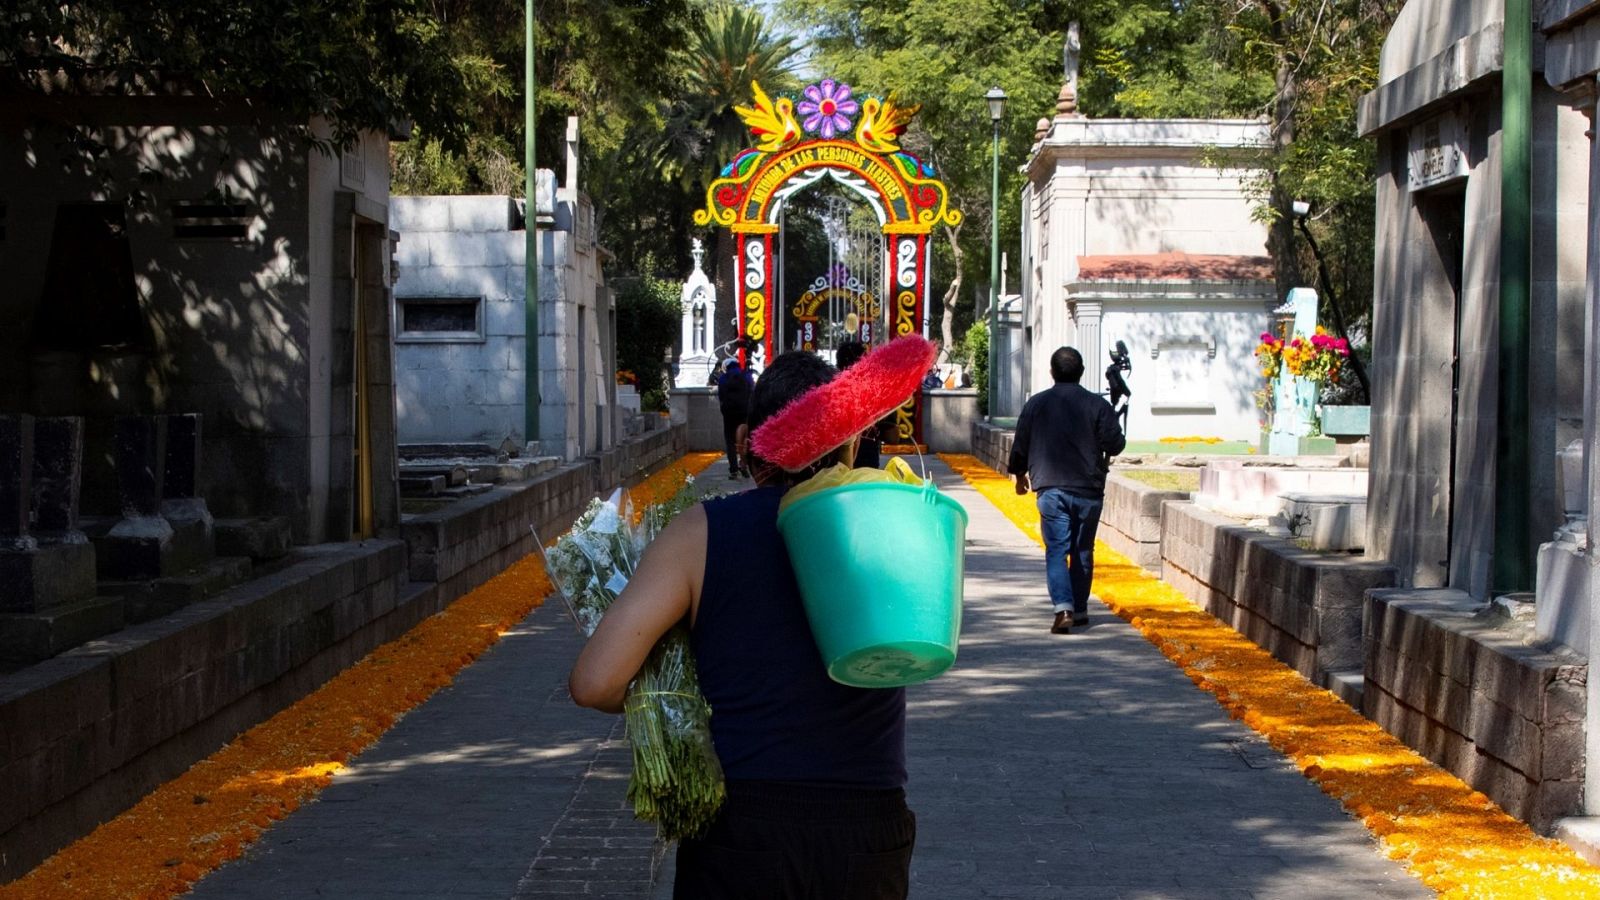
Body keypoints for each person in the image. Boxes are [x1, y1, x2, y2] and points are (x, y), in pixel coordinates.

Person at [570, 348, 923, 899]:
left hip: (744, 834)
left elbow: (594, 682)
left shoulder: (702, 533)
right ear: (851, 442)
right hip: (868, 829)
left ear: (746, 444)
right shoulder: (891, 527)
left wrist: (677, 692)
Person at [1008, 346, 1126, 635]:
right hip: (1088, 488)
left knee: (1057, 550)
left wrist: (1020, 475)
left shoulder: (1036, 404)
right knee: (1083, 550)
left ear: (1052, 372)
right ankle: (1081, 609)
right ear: (1082, 372)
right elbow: (1115, 445)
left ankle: (1064, 608)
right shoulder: (1097, 406)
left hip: (1050, 487)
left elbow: (1021, 443)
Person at [834, 340, 887, 469]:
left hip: (839, 470)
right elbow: (892, 436)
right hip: (865, 472)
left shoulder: (832, 393)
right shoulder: (876, 395)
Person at [716, 357, 755, 478]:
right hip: (744, 413)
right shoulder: (746, 375)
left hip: (729, 413)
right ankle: (744, 466)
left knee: (730, 441)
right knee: (745, 440)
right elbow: (752, 391)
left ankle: (733, 469)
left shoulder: (723, 378)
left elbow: (721, 396)